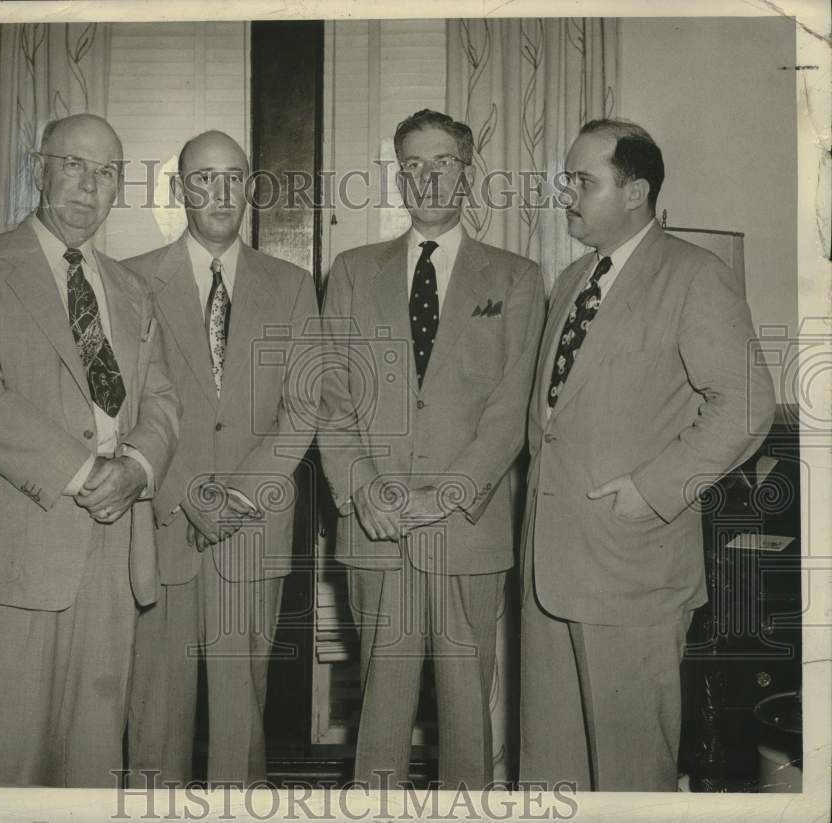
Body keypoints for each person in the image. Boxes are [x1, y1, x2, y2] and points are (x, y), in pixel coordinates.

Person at [518, 119, 776, 791]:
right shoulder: (574, 277)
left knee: (630, 779)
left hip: (633, 570)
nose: (567, 194)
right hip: (551, 566)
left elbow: (746, 404)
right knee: (553, 773)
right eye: (566, 179)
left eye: (584, 180)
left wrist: (652, 488)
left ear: (634, 192)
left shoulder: (695, 276)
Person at [0, 114, 181, 787]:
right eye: (74, 164)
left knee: (94, 765)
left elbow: (161, 400)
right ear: (38, 168)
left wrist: (137, 466)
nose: (89, 186)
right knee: (10, 763)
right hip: (18, 552)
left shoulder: (133, 290)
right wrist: (87, 472)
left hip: (114, 554)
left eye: (106, 173)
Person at [318, 109, 545, 789]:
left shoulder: (516, 277)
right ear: (398, 176)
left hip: (464, 529)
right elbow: (330, 397)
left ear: (467, 172)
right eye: (412, 165)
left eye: (441, 162)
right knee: (379, 717)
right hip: (376, 527)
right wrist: (363, 489)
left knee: (467, 717)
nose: (427, 177)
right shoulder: (354, 271)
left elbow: (511, 413)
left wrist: (443, 495)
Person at [126, 130, 320, 786]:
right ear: (181, 189)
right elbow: (128, 410)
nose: (218, 192)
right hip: (163, 521)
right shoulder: (131, 281)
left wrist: (236, 496)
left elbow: (303, 407)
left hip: (251, 525)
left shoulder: (291, 286)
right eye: (202, 179)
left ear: (250, 187)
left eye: (232, 177)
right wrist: (187, 494)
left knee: (241, 716)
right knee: (155, 715)